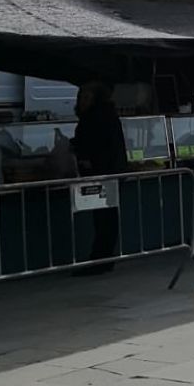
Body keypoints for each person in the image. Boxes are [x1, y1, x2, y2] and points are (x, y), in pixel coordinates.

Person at [70, 82, 128, 276]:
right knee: (106, 218)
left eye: (86, 97)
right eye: (80, 97)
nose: (81, 101)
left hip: (102, 174)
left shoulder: (94, 119)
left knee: (104, 219)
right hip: (110, 172)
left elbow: (94, 146)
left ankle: (101, 259)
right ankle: (104, 258)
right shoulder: (107, 115)